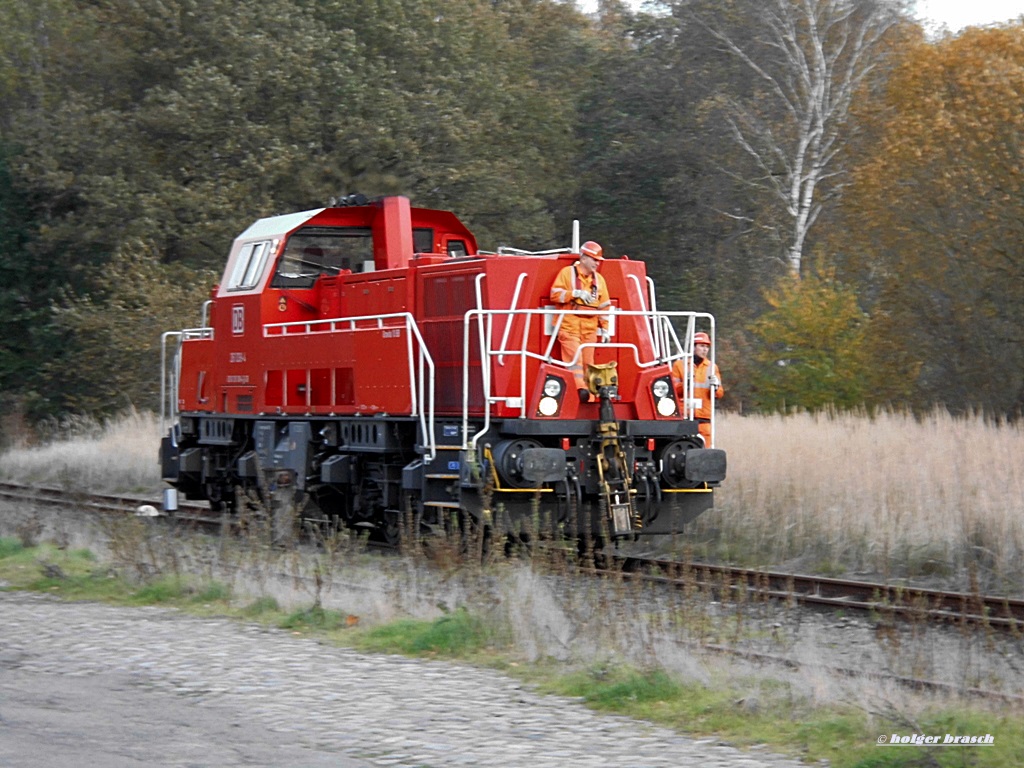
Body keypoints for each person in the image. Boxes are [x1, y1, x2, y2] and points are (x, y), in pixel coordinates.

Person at [549, 241, 611, 403]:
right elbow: (554, 294)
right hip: (569, 326)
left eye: (598, 260)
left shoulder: (600, 280)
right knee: (575, 362)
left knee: (588, 364)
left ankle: (590, 398)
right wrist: (574, 294)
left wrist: (605, 328)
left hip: (590, 329)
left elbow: (604, 306)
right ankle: (579, 392)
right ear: (583, 258)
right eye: (594, 259)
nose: (597, 263)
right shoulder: (566, 273)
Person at [671, 331, 723, 447]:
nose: (705, 349)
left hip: (704, 419)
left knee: (705, 451)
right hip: (684, 417)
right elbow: (673, 391)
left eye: (707, 347)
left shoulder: (712, 367)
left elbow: (720, 393)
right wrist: (685, 384)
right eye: (701, 346)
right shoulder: (680, 365)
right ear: (693, 347)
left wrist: (715, 388)